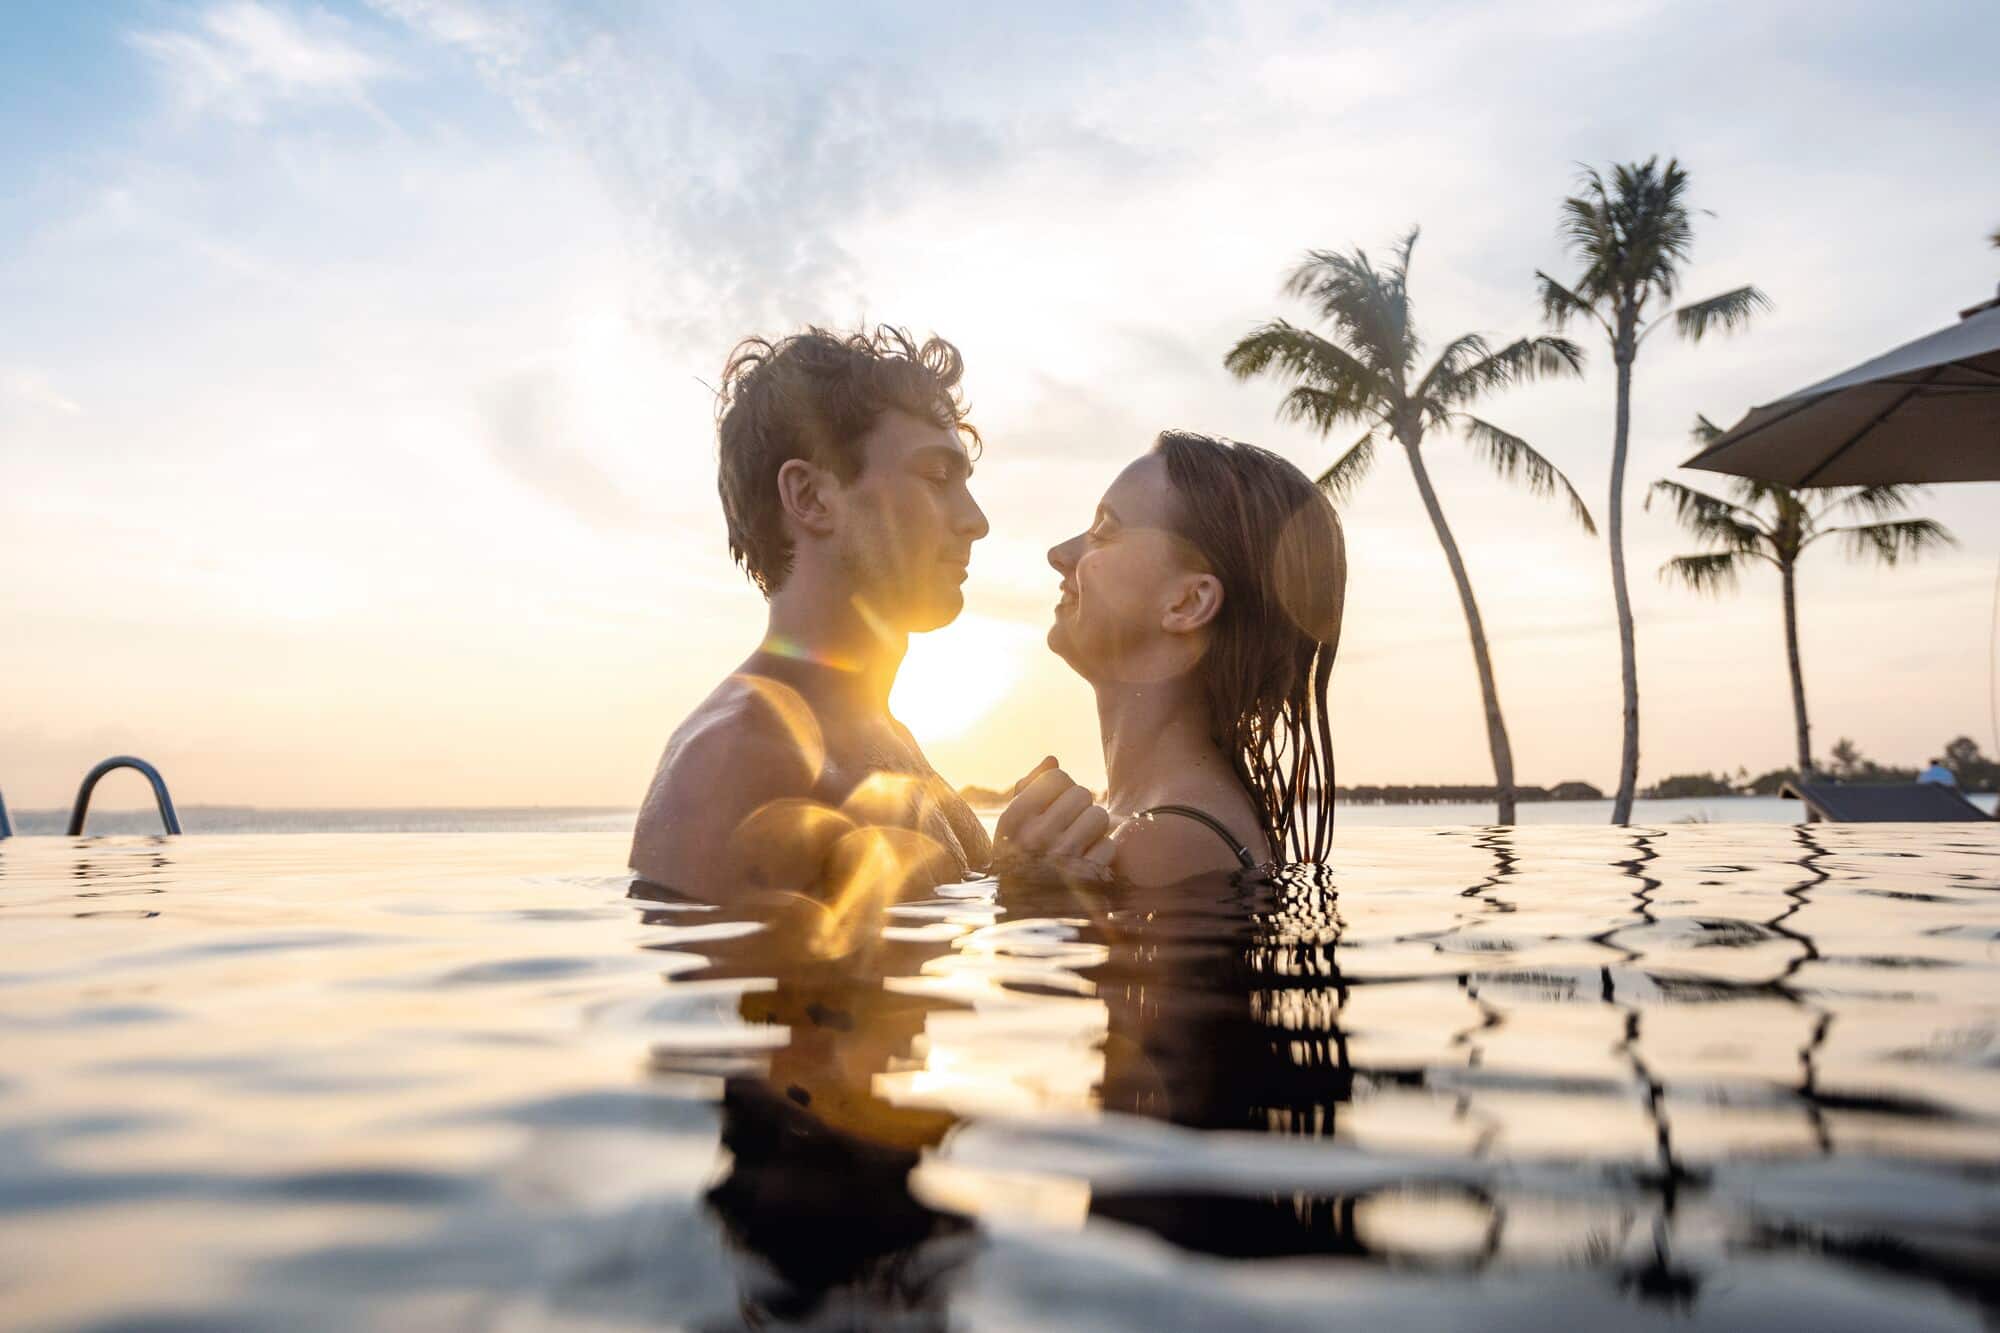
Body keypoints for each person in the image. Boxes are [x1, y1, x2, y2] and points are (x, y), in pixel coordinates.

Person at [630, 326, 1113, 901]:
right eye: (936, 478)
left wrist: (1024, 871)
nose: (976, 521)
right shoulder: (739, 763)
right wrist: (1022, 897)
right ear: (811, 497)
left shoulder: (885, 736)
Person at [1026, 430, 1346, 884]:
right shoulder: (1152, 826)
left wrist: (1023, 891)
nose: (1059, 555)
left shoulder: (1166, 844)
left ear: (1187, 603)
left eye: (1104, 531)